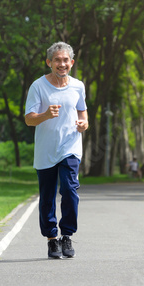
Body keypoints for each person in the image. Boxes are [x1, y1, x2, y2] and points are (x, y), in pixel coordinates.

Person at [25, 41, 88, 259]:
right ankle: (52, 239)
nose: (61, 64)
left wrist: (83, 124)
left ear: (71, 62)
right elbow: (28, 120)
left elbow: (83, 114)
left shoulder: (78, 86)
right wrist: (45, 115)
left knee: (70, 190)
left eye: (65, 60)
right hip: (46, 151)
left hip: (70, 147)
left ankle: (67, 235)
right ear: (49, 62)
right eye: (57, 60)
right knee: (48, 196)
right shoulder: (38, 86)